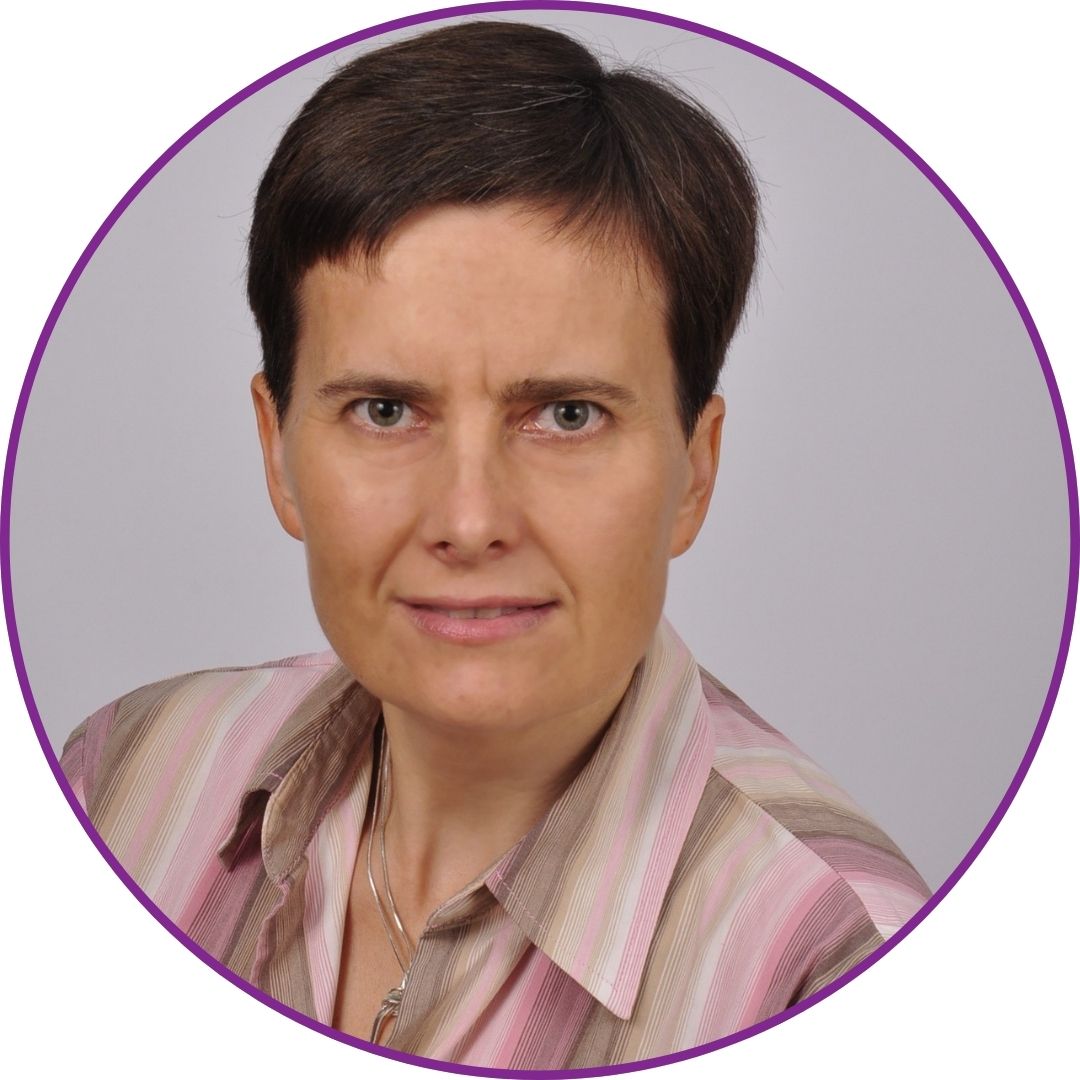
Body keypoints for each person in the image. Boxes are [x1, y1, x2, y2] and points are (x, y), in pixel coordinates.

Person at [60, 20, 929, 1068]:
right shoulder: (120, 786)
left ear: (694, 472)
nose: (470, 523)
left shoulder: (835, 967)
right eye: (386, 411)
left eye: (566, 415)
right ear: (277, 451)